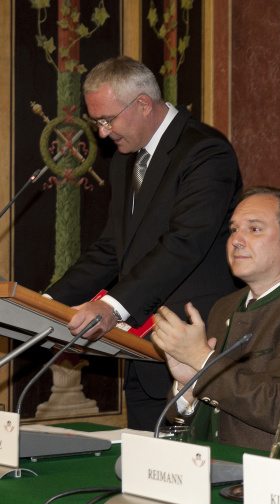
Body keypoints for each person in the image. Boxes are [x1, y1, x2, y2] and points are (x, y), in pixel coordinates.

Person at [47, 56, 242, 430]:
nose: (102, 133)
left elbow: (185, 243)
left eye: (108, 120)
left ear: (142, 104)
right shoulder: (126, 160)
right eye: (97, 122)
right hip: (140, 351)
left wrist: (112, 306)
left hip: (194, 349)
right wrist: (48, 303)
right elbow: (112, 248)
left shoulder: (204, 150)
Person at [151, 187, 280, 466]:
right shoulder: (224, 307)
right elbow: (183, 418)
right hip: (213, 468)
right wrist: (188, 385)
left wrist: (202, 360)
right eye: (233, 230)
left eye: (254, 229)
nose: (236, 240)